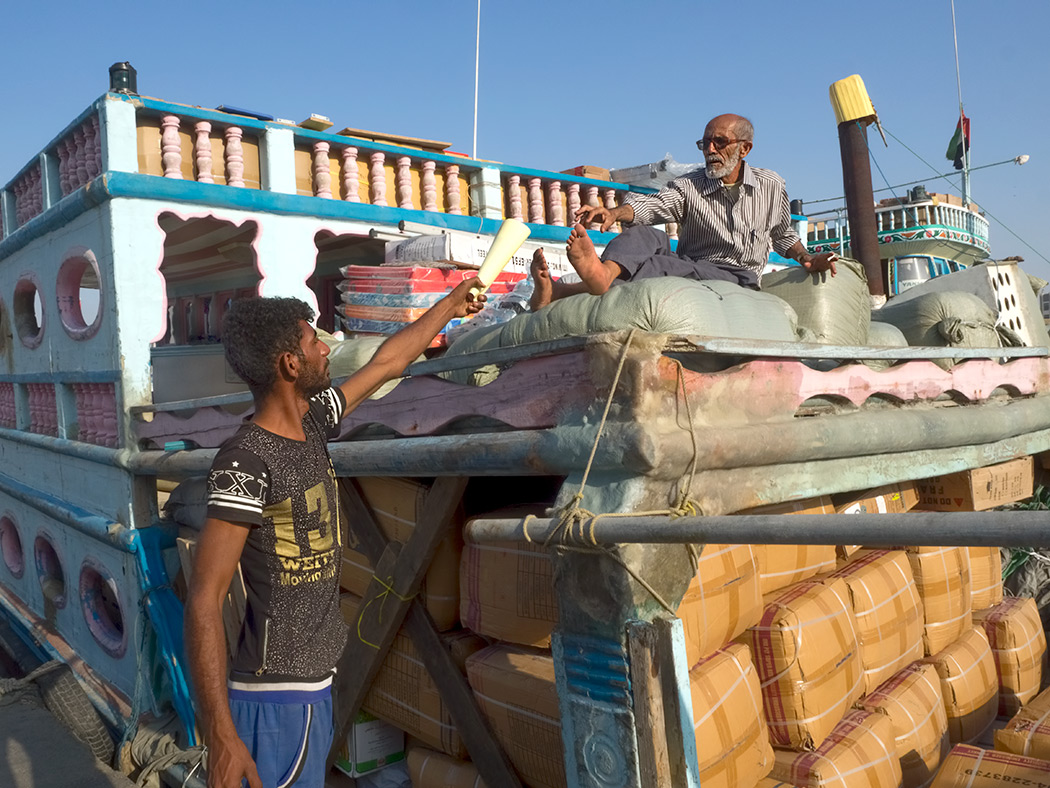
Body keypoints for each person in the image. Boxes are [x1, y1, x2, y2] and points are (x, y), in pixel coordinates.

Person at [184, 279, 485, 788]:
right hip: (274, 697)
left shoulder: (315, 421)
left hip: (313, 687)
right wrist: (221, 736)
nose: (326, 347)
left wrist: (451, 307)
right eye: (313, 340)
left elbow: (388, 363)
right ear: (290, 365)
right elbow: (204, 598)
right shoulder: (246, 461)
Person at [530, 113, 838, 309]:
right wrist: (613, 214)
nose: (711, 151)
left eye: (720, 142)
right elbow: (651, 207)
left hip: (736, 276)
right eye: (705, 144)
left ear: (745, 149)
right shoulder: (690, 185)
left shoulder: (771, 184)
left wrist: (807, 258)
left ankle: (574, 287)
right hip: (690, 262)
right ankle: (589, 279)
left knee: (658, 267)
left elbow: (783, 234)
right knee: (645, 235)